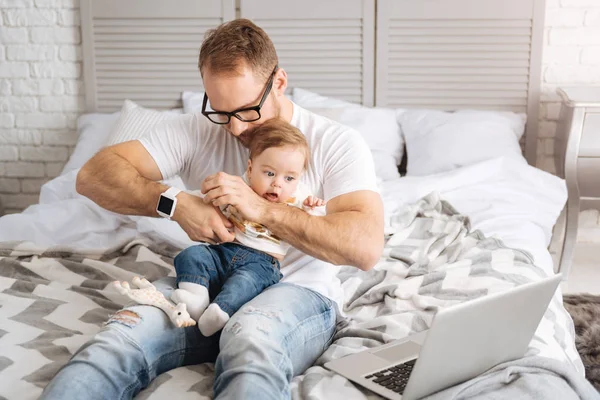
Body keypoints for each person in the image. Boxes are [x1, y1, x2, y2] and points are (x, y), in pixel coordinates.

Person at [41, 18, 384, 399]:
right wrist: (175, 202)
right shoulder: (195, 130)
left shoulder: (336, 142)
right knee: (117, 340)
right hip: (205, 287)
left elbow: (365, 247)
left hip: (298, 291)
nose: (235, 129)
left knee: (249, 338)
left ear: (279, 83)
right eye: (221, 112)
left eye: (247, 111)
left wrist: (262, 210)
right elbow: (93, 175)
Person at [173, 118, 326, 337]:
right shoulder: (237, 186)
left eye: (289, 177)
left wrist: (315, 208)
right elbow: (195, 201)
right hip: (224, 250)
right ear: (251, 167)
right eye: (270, 173)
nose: (278, 184)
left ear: (299, 178)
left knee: (244, 284)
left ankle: (219, 312)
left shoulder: (298, 198)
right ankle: (195, 297)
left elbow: (314, 225)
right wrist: (186, 204)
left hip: (262, 263)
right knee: (192, 255)